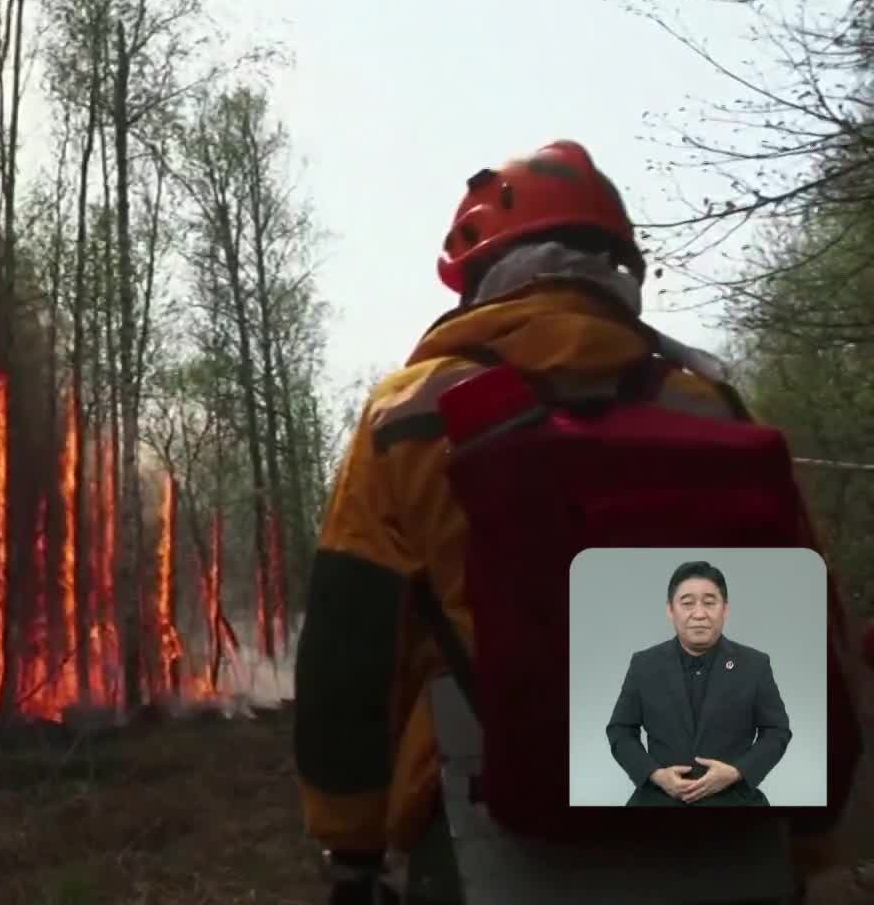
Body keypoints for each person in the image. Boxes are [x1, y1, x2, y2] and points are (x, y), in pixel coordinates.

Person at [293, 140, 862, 904]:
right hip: (729, 837)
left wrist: (352, 847)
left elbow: (350, 639)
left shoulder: (415, 411)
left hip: (486, 834)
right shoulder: (710, 408)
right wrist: (810, 839)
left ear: (482, 277)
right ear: (618, 274)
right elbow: (813, 623)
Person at [605, 560, 790, 807]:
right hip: (659, 797)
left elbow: (776, 731)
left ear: (725, 609)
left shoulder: (754, 665)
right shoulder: (644, 665)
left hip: (733, 798)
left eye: (710, 602)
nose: (699, 614)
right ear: (670, 610)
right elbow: (620, 730)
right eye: (688, 603)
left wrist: (736, 773)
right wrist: (656, 776)